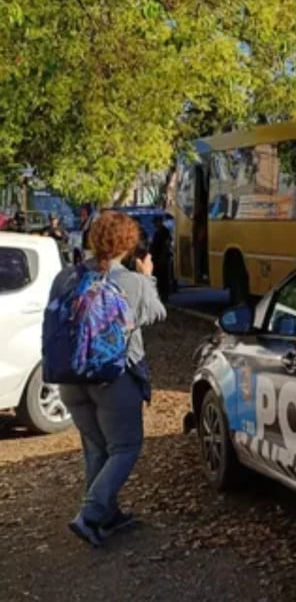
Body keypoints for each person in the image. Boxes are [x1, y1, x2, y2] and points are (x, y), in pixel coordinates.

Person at [50, 210, 167, 547]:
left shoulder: (65, 278)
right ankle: (91, 514)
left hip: (70, 376)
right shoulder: (132, 281)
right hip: (113, 379)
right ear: (128, 245)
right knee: (126, 446)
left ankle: (107, 515)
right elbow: (156, 313)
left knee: (96, 447)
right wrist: (148, 277)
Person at [149, 216, 172, 302]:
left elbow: (166, 245)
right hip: (157, 258)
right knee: (158, 277)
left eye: (156, 222)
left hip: (162, 258)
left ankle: (164, 294)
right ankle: (160, 294)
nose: (155, 225)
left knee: (163, 277)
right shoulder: (157, 233)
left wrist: (163, 257)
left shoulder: (164, 232)